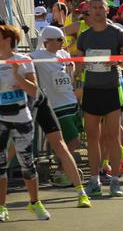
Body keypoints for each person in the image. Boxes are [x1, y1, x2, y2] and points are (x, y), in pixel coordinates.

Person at [75, 0, 123, 197]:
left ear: (107, 10)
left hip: (111, 89)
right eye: (95, 7)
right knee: (92, 136)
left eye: (102, 7)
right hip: (91, 89)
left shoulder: (117, 33)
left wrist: (117, 62)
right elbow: (78, 62)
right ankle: (94, 179)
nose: (98, 10)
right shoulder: (85, 36)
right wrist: (77, 69)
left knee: (112, 136)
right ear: (89, 10)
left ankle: (115, 180)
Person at [29, 26, 90, 208]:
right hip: (56, 106)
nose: (63, 42)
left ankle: (62, 169)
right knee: (71, 143)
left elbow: (74, 71)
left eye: (63, 39)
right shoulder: (36, 56)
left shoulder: (64, 54)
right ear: (47, 40)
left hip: (71, 102)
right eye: (59, 39)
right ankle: (60, 171)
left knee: (75, 141)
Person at [0, 24, 51, 221]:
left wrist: (16, 76)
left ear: (8, 38)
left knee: (27, 164)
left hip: (21, 117)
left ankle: (35, 203)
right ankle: (2, 207)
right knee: (1, 166)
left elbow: (34, 91)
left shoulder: (23, 60)